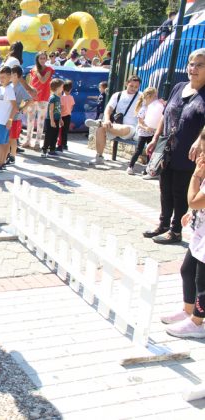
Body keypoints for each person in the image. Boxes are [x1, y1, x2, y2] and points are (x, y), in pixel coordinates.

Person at [143, 49, 205, 244]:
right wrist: (155, 138)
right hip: (168, 149)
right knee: (165, 188)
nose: (193, 68)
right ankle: (162, 224)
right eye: (191, 64)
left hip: (189, 152)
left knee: (180, 191)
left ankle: (175, 231)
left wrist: (200, 140)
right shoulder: (179, 87)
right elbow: (165, 115)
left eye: (199, 65)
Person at [161, 128, 205, 338]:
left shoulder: (201, 173)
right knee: (187, 270)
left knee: (202, 281)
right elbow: (196, 204)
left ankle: (197, 322)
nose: (200, 156)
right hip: (200, 233)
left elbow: (194, 199)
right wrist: (191, 213)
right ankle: (188, 310)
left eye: (204, 152)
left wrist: (196, 175)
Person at [85, 75, 142, 165]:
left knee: (120, 128)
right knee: (100, 130)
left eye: (136, 87)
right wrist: (107, 119)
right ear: (126, 84)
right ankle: (99, 157)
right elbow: (109, 108)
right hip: (114, 125)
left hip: (131, 128)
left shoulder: (141, 97)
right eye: (131, 86)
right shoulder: (118, 95)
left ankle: (100, 123)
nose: (133, 88)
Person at [126, 87, 163, 175]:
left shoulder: (156, 107)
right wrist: (146, 128)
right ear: (149, 97)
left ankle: (148, 169)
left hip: (152, 133)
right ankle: (130, 166)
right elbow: (140, 123)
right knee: (139, 150)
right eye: (155, 96)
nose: (156, 98)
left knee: (150, 151)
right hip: (143, 133)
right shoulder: (143, 109)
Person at [23, 52, 54, 150]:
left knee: (40, 121)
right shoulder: (33, 69)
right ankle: (28, 140)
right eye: (40, 58)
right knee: (30, 120)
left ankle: (37, 142)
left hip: (43, 98)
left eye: (44, 58)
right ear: (37, 59)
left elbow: (43, 80)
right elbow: (31, 83)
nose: (42, 60)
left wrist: (37, 72)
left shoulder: (49, 69)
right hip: (32, 98)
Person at [7, 65, 33, 165]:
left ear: (18, 76)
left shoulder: (20, 88)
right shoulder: (9, 85)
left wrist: (22, 109)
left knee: (13, 139)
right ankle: (8, 155)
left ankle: (12, 156)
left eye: (13, 74)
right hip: (7, 116)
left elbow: (30, 100)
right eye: (10, 74)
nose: (11, 76)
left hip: (15, 117)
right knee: (8, 138)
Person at [0, 66, 17, 171]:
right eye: (0, 77)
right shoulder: (2, 89)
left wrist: (10, 120)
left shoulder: (9, 89)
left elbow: (14, 106)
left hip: (4, 121)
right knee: (4, 143)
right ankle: (2, 163)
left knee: (0, 143)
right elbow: (2, 103)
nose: (1, 79)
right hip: (0, 120)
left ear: (9, 77)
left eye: (3, 77)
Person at [41, 78, 64, 157]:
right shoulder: (53, 97)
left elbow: (58, 110)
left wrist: (60, 119)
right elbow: (51, 110)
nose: (62, 88)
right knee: (49, 135)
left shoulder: (58, 97)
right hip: (50, 120)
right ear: (57, 88)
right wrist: (52, 121)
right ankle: (44, 150)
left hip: (56, 119)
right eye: (62, 87)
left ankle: (52, 150)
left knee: (55, 135)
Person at [57, 79, 75, 152]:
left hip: (62, 117)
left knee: (61, 132)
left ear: (63, 89)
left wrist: (60, 117)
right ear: (70, 89)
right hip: (68, 116)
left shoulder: (61, 98)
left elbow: (60, 108)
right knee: (65, 131)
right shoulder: (71, 97)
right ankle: (65, 145)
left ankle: (60, 146)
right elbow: (72, 106)